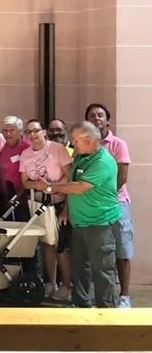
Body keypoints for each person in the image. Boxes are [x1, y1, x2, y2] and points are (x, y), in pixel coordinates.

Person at [45, 121, 121, 309]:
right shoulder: (80, 157)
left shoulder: (103, 161)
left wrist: (49, 187)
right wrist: (66, 211)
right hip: (79, 223)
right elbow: (72, 183)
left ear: (88, 140)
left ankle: (106, 312)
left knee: (102, 270)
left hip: (99, 224)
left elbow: (79, 187)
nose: (72, 144)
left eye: (75, 141)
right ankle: (81, 306)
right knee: (79, 268)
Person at [20, 118, 73, 302]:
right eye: (29, 132)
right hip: (37, 204)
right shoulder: (25, 154)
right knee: (45, 245)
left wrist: (51, 187)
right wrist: (40, 185)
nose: (33, 135)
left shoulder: (57, 149)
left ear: (44, 131)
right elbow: (25, 181)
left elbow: (69, 175)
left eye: (36, 131)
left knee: (59, 246)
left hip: (57, 203)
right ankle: (51, 282)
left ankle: (67, 285)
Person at [85, 103, 133, 308]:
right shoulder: (80, 144)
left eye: (100, 115)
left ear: (107, 120)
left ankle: (124, 297)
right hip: (91, 206)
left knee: (122, 250)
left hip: (116, 203)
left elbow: (122, 177)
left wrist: (104, 197)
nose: (97, 118)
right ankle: (102, 297)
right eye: (92, 116)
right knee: (98, 253)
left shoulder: (118, 144)